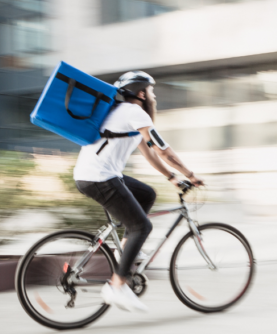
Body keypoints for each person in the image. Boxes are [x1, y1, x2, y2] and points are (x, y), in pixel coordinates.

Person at [73, 70, 204, 313]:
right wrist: (191, 174)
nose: (154, 96)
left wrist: (172, 178)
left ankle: (124, 249)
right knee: (142, 227)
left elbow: (150, 154)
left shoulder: (122, 113)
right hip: (99, 177)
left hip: (93, 175)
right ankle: (117, 286)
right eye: (151, 91)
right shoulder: (135, 113)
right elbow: (163, 150)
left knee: (146, 194)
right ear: (142, 94)